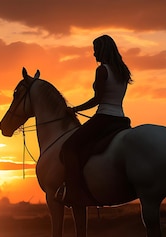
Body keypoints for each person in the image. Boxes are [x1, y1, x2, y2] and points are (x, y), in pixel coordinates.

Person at [55, 34, 132, 207]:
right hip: (121, 120)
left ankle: (73, 192)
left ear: (102, 50)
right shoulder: (123, 71)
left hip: (104, 117)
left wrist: (75, 109)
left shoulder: (102, 70)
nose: (94, 54)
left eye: (95, 50)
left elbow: (98, 99)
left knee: (69, 147)